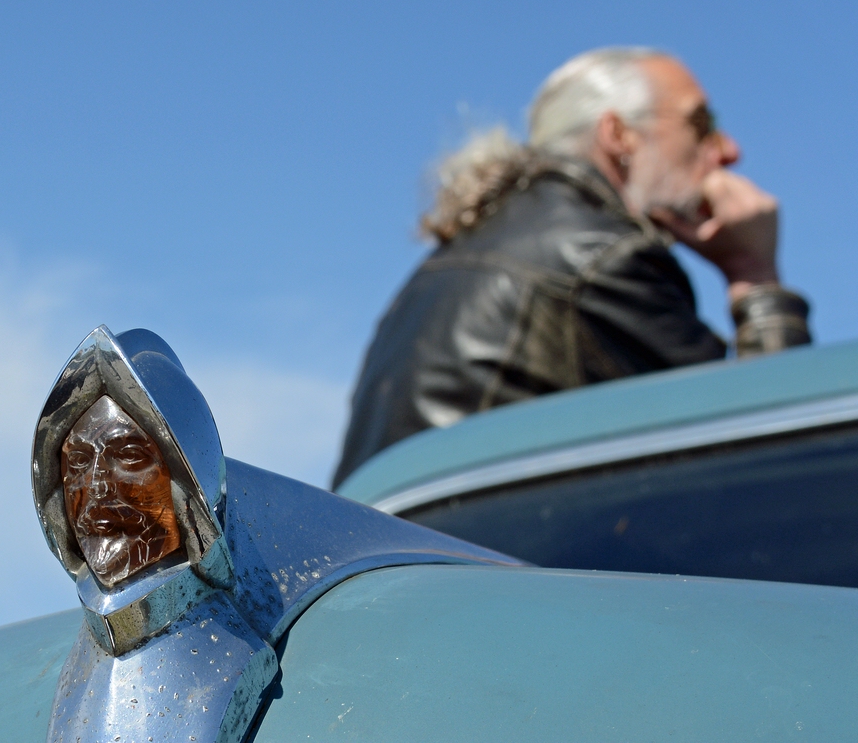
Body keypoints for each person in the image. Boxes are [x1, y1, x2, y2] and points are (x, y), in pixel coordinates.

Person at [331, 47, 811, 490]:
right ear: (619, 135)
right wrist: (754, 273)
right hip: (476, 571)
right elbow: (765, 474)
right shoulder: (601, 257)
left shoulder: (453, 262)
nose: (729, 151)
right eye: (701, 123)